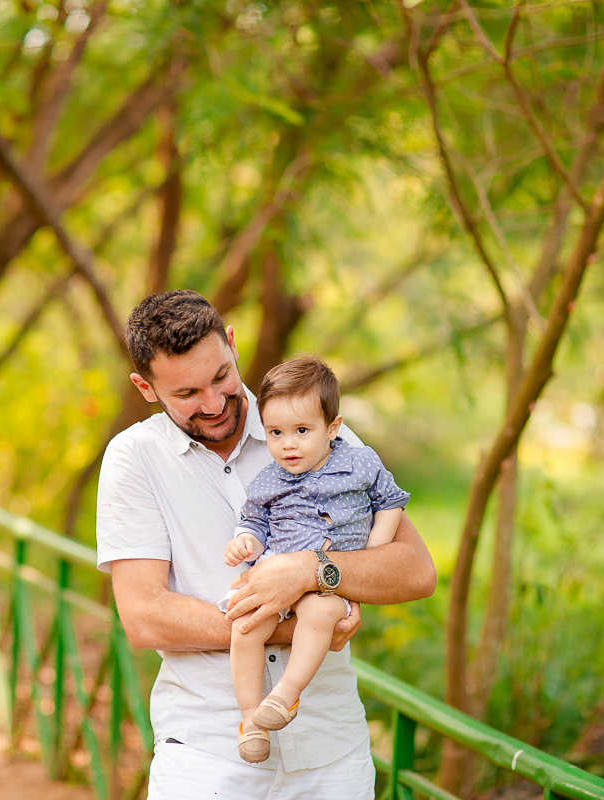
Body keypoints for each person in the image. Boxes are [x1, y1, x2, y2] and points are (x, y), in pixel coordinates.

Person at [96, 290, 436, 800]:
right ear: (146, 387)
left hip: (332, 752)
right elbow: (145, 615)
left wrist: (312, 571)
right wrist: (298, 623)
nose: (213, 404)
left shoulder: (322, 433)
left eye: (220, 377)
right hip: (207, 755)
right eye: (187, 394)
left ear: (232, 345)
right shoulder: (133, 459)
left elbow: (414, 570)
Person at [221, 355, 411, 764]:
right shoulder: (269, 478)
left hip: (326, 579)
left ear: (333, 427)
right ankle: (250, 720)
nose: (287, 444)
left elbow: (390, 502)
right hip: (273, 574)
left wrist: (371, 555)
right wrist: (245, 542)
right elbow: (254, 519)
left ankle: (285, 696)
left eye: (302, 431)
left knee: (320, 614)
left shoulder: (360, 464)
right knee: (245, 626)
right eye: (275, 433)